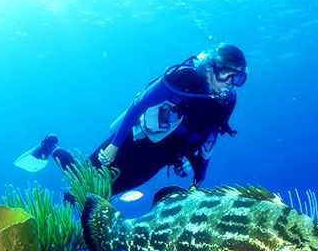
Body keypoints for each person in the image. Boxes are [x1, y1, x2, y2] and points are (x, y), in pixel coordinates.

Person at [21, 43, 247, 195]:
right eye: (227, 74)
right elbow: (138, 106)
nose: (230, 82)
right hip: (132, 141)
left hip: (157, 159)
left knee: (103, 195)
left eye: (238, 78)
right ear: (210, 67)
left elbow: (210, 140)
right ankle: (51, 148)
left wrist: (199, 178)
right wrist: (114, 145)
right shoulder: (183, 78)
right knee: (81, 181)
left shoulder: (226, 102)